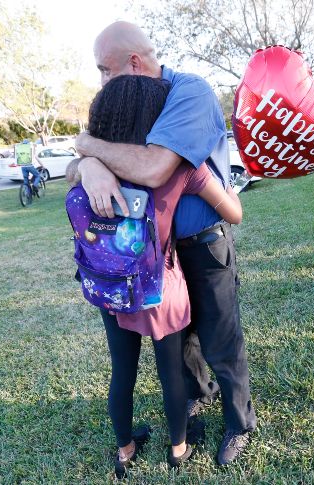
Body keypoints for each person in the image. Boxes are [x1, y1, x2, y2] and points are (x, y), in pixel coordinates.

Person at [73, 21, 256, 466]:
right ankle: (195, 397)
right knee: (182, 344)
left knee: (220, 341)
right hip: (159, 259)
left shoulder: (188, 92)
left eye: (105, 70)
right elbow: (103, 164)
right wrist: (88, 163)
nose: (102, 82)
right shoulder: (134, 103)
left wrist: (88, 147)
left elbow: (154, 168)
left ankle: (239, 423)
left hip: (202, 244)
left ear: (134, 64)